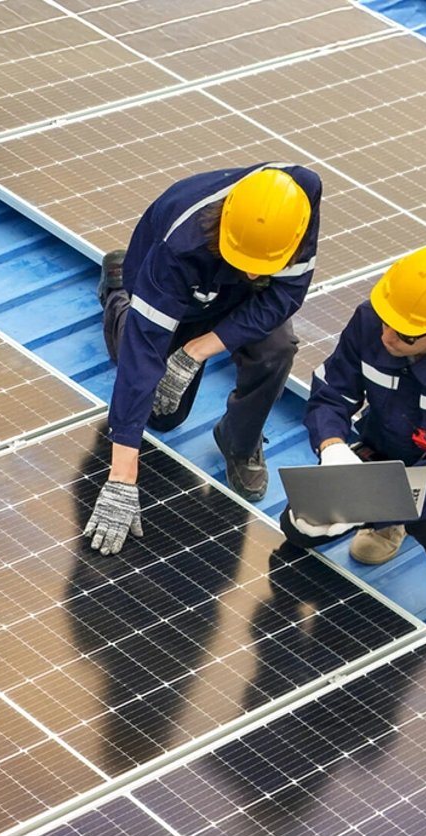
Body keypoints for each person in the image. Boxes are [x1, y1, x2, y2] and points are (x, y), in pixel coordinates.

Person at [280, 244, 426, 652]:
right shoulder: (375, 319)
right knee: (298, 529)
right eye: (386, 322)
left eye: (404, 334)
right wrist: (333, 448)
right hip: (390, 444)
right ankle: (390, 520)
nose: (386, 337)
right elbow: (331, 395)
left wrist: (369, 504)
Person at [84, 164, 322, 554]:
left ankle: (239, 441)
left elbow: (285, 295)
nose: (249, 271)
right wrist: (122, 477)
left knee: (277, 349)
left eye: (259, 265)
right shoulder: (179, 248)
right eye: (244, 259)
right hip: (182, 291)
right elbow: (142, 359)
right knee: (161, 414)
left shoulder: (296, 205)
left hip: (238, 298)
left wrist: (198, 350)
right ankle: (118, 293)